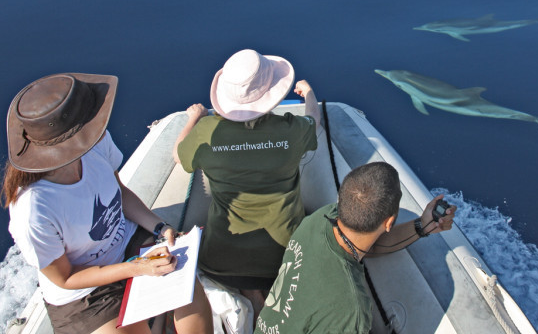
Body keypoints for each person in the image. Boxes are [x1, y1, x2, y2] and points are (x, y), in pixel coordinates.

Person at [2, 73, 213, 334]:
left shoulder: (95, 143)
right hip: (84, 296)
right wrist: (136, 269)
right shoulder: (33, 209)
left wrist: (159, 227)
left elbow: (119, 193)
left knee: (191, 292)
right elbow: (65, 278)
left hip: (129, 247)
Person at [172, 49, 320, 315]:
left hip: (221, 261)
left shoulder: (207, 132)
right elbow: (314, 122)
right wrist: (309, 93)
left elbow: (178, 155)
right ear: (272, 92)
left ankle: (251, 296)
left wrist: (194, 117)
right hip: (285, 257)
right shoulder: (290, 130)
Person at [254, 161, 457, 334]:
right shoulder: (352, 309)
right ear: (389, 222)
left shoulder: (319, 219)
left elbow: (366, 245)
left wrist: (422, 226)